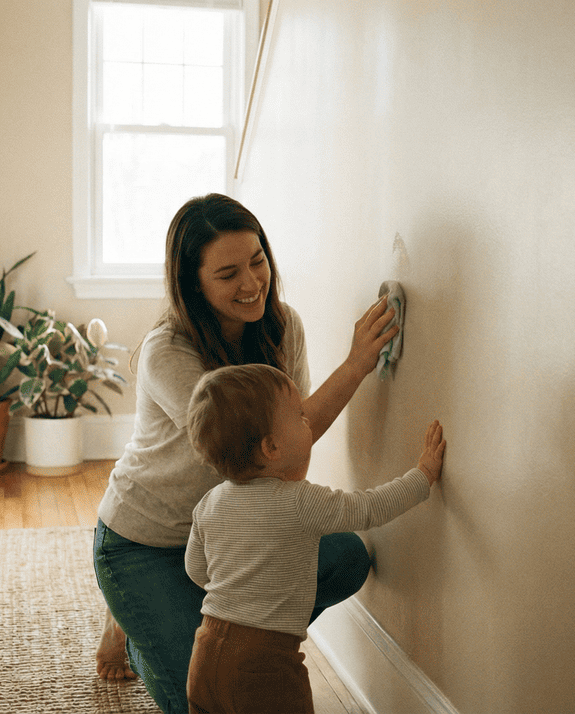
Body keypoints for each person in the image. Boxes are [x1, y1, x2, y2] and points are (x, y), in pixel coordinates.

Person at [92, 193, 401, 714]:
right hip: (145, 542)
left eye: (257, 260)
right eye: (228, 273)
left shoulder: (283, 326)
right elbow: (263, 450)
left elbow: (291, 437)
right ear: (193, 283)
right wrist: (355, 365)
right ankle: (135, 625)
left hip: (234, 536)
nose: (252, 283)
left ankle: (205, 633)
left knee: (346, 557)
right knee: (203, 704)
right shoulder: (166, 351)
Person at [182, 364, 445, 714]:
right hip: (265, 665)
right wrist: (423, 475)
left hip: (205, 652)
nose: (308, 418)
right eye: (300, 416)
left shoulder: (210, 503)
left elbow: (196, 571)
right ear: (272, 447)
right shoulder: (300, 502)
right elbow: (369, 508)